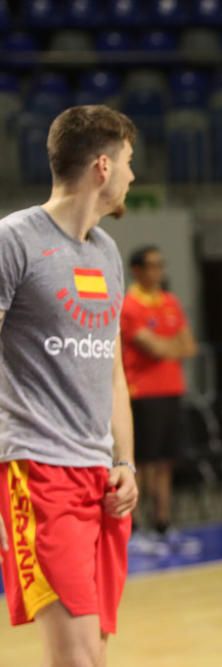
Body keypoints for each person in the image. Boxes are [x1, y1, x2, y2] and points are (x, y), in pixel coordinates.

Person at [0, 105, 139, 666]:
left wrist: (125, 461)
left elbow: (111, 368)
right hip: (38, 470)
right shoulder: (14, 240)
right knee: (76, 657)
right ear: (102, 167)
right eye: (130, 162)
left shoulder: (106, 252)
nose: (135, 175)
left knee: (94, 653)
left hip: (100, 478)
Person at [120, 245, 197, 551]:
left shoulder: (170, 302)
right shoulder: (129, 306)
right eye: (151, 265)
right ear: (137, 270)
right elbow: (154, 348)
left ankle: (163, 524)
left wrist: (168, 347)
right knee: (142, 463)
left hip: (171, 391)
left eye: (160, 265)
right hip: (142, 394)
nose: (157, 271)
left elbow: (188, 346)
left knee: (165, 463)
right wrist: (168, 346)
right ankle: (135, 528)